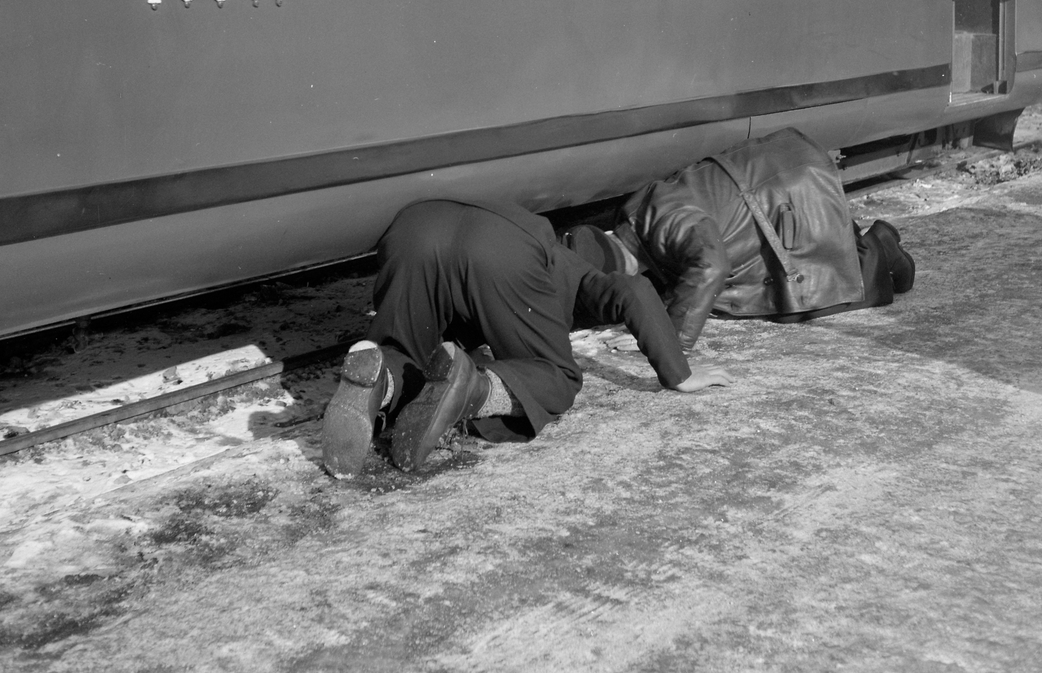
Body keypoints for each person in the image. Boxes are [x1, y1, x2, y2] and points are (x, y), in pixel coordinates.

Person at [321, 198, 730, 478]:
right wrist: (678, 371)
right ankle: (473, 390)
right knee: (557, 378)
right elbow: (634, 291)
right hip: (498, 248)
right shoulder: (580, 276)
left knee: (404, 350)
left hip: (416, 225)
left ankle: (380, 380)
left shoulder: (554, 253)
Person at [564, 128, 915, 349]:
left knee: (811, 299)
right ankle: (861, 245)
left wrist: (670, 340)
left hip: (787, 189)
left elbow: (710, 266)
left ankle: (882, 246)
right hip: (772, 192)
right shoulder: (634, 217)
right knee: (743, 301)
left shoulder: (665, 224)